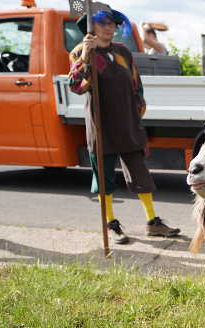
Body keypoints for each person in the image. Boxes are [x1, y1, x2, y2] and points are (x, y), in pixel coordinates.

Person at [68, 6, 180, 244]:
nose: (110, 28)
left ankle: (153, 222)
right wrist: (86, 58)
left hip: (129, 124)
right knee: (105, 179)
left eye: (113, 24)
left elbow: (136, 85)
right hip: (102, 126)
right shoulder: (80, 52)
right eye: (104, 23)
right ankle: (111, 224)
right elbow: (77, 86)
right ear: (91, 26)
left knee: (141, 174)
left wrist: (138, 111)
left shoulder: (123, 52)